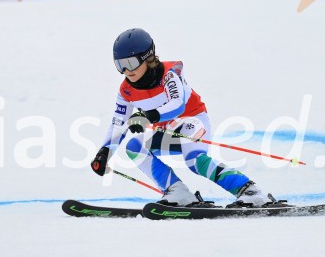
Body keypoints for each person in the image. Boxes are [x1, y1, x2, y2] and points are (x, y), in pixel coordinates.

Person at [91, 28, 273, 207]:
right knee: (134, 146)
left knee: (195, 161)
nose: (125, 70)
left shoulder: (170, 74)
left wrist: (148, 117)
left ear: (147, 57)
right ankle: (177, 191)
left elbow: (177, 104)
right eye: (119, 65)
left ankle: (249, 191)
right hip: (168, 131)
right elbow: (119, 123)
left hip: (192, 122)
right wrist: (105, 152)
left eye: (130, 63)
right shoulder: (126, 91)